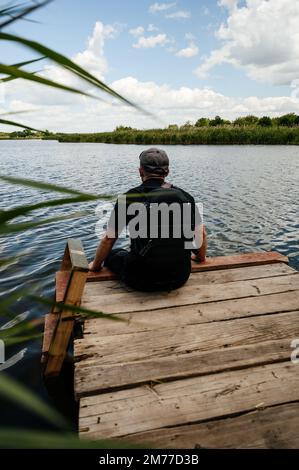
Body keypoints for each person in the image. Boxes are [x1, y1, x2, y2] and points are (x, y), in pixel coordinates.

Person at [89, 148, 207, 291]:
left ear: (140, 171)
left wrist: (94, 266)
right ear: (167, 172)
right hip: (179, 277)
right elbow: (201, 234)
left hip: (140, 280)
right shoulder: (185, 196)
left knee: (114, 254)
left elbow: (108, 239)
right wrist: (200, 258)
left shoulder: (128, 198)